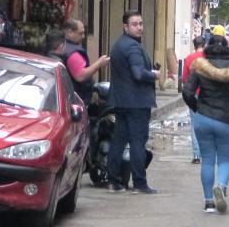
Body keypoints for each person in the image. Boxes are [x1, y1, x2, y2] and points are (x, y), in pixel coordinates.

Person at [182, 35, 229, 214]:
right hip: (228, 120)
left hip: (204, 118)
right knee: (225, 160)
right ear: (228, 48)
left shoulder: (199, 67)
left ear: (208, 47)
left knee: (207, 160)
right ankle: (220, 185)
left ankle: (208, 202)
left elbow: (187, 92)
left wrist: (197, 108)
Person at [107, 10, 159, 194]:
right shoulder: (132, 47)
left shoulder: (119, 44)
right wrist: (153, 75)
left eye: (141, 23)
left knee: (119, 140)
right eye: (135, 24)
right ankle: (139, 182)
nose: (139, 27)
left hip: (122, 101)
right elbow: (138, 73)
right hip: (136, 102)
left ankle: (113, 180)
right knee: (138, 141)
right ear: (125, 27)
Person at [63, 18, 110, 106]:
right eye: (80, 33)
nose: (83, 36)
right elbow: (80, 75)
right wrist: (99, 63)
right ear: (70, 33)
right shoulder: (72, 52)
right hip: (77, 99)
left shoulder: (64, 47)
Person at [182, 36, 206, 164]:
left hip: (194, 95)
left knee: (195, 124)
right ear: (205, 44)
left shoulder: (189, 59)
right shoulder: (208, 58)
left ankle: (197, 155)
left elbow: (185, 79)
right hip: (207, 95)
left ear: (194, 45)